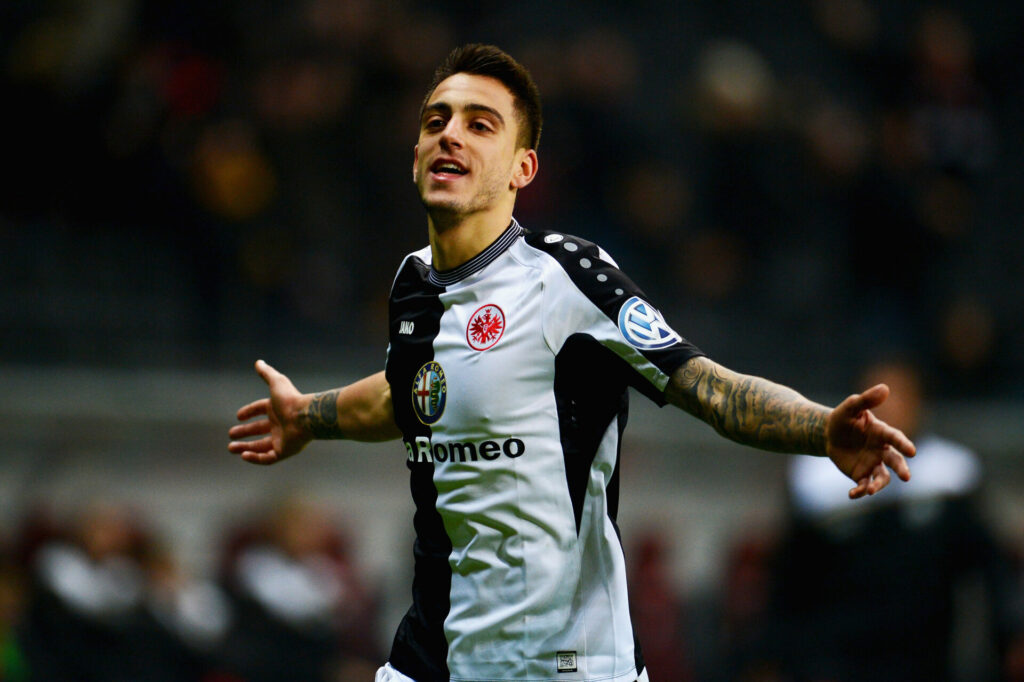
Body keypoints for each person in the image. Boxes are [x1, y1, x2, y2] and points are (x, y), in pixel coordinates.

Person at [228, 44, 916, 682]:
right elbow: (412, 393)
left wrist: (819, 427)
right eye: (437, 119)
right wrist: (309, 415)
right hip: (433, 658)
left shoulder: (567, 277)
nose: (451, 133)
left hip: (567, 665)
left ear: (523, 168)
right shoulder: (412, 282)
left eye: (480, 123)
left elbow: (705, 387)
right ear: (414, 156)